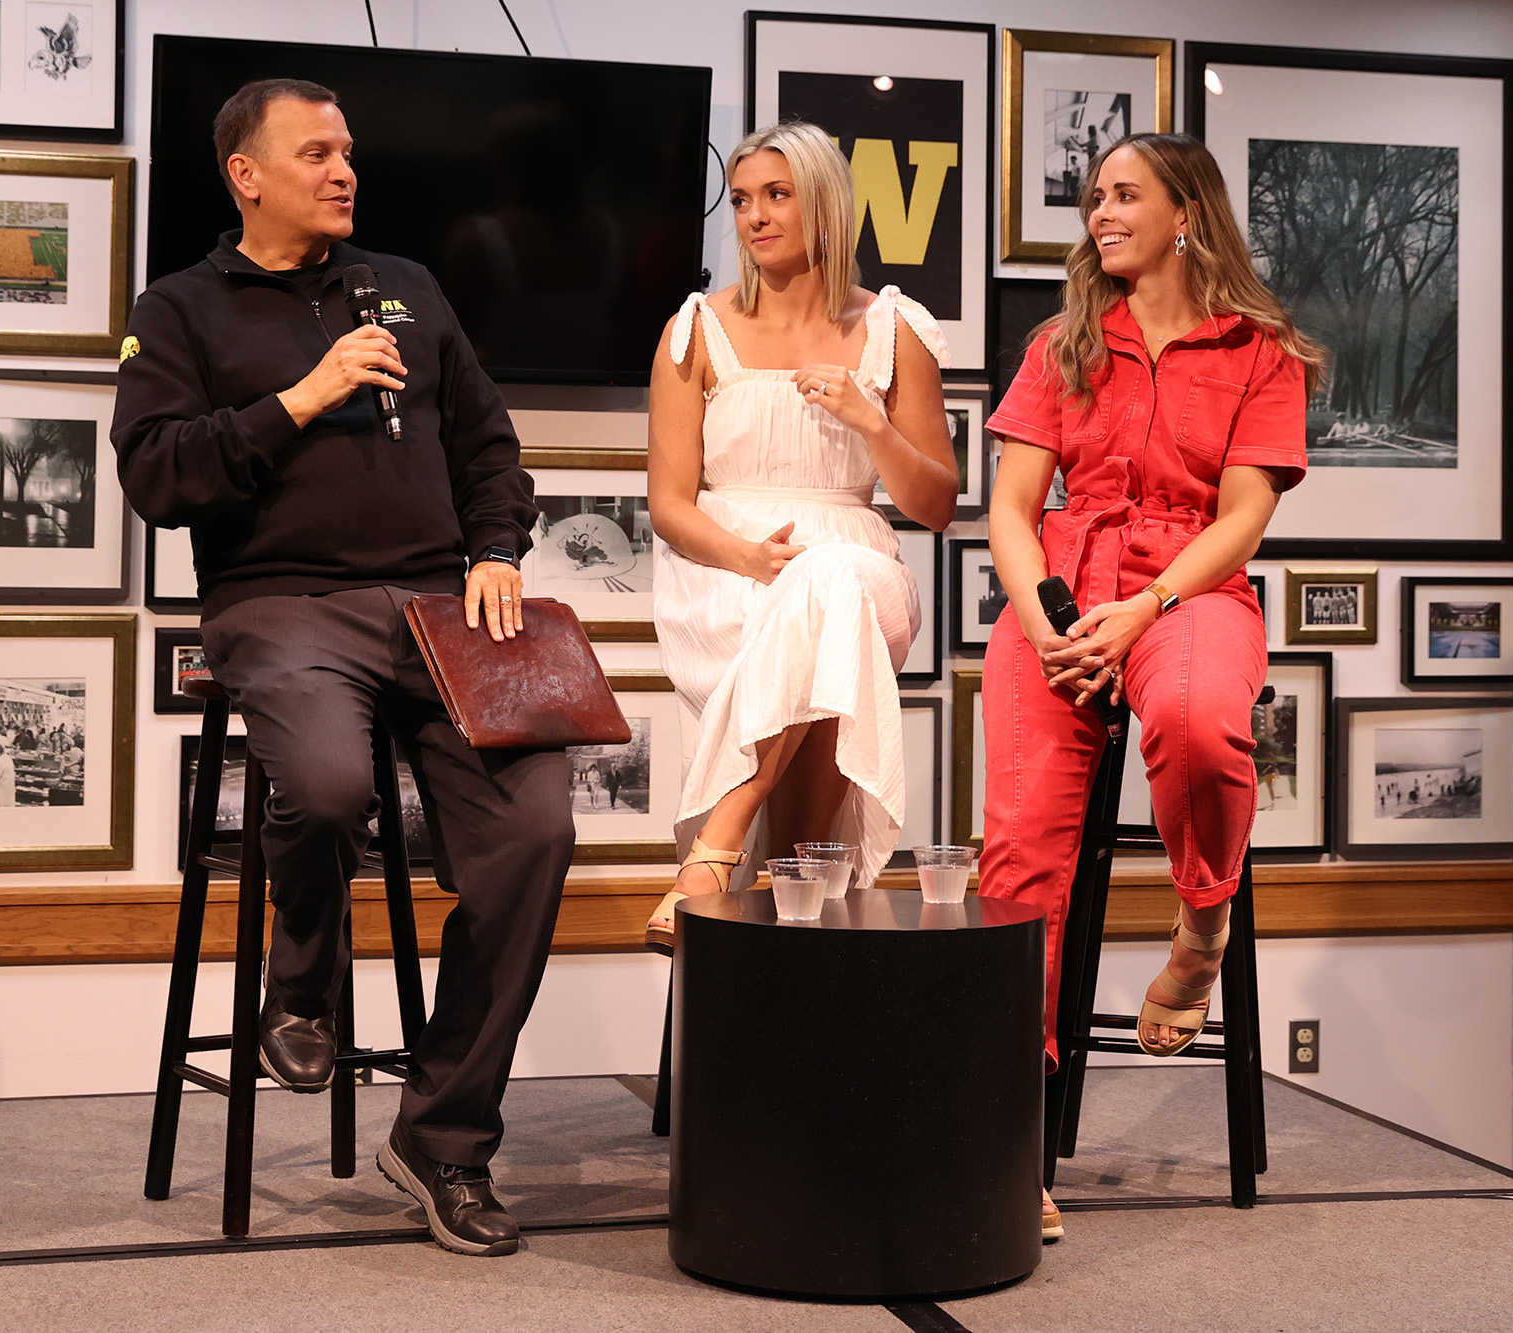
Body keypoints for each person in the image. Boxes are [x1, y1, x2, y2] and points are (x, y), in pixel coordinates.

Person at [112, 78, 574, 1259]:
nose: (343, 169)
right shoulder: (179, 313)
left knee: (534, 833)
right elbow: (157, 479)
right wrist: (298, 400)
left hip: (437, 604)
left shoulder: (406, 290)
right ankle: (303, 985)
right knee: (323, 787)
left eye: (348, 151)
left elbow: (486, 443)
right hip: (282, 602)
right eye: (314, 152)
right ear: (245, 174)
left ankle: (442, 1140)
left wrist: (494, 548)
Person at [978, 132, 1322, 1242]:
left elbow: (1242, 518)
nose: (1098, 213)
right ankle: (1008, 1148)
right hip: (1061, 599)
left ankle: (1199, 924)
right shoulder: (1061, 344)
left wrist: (1146, 606)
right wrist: (1046, 627)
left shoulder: (1260, 351)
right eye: (1091, 196)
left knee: (1196, 720)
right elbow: (1011, 513)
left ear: (1187, 212)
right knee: (1019, 849)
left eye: (1123, 194)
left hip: (1189, 587)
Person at [645, 121, 957, 949]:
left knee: (832, 578)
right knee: (800, 854)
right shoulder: (694, 329)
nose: (754, 216)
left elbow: (937, 504)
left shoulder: (896, 330)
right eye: (743, 200)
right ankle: (780, 1035)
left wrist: (870, 421)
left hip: (859, 571)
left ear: (826, 203)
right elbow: (671, 504)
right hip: (726, 575)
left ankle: (719, 837)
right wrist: (749, 557)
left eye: (776, 195)